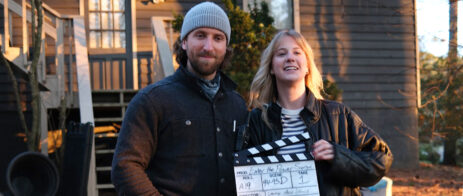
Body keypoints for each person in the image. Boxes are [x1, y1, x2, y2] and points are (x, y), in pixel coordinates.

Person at [111, 2, 248, 195]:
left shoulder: (238, 105)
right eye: (200, 35)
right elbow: (125, 166)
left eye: (218, 38)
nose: (209, 46)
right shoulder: (152, 101)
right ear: (184, 42)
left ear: (225, 47)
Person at [242, 29, 393, 195]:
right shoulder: (257, 121)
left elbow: (381, 159)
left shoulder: (338, 115)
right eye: (281, 53)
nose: (290, 58)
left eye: (297, 52)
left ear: (307, 66)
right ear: (271, 67)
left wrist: (339, 156)